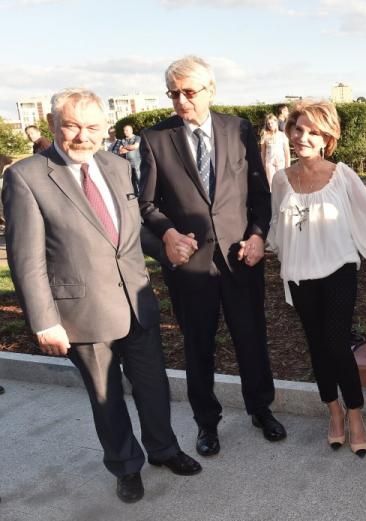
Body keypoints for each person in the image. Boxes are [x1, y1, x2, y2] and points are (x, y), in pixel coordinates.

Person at [2, 88, 202, 504]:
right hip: (81, 313)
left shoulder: (115, 164)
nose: (82, 136)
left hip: (136, 301)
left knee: (154, 387)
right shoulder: (27, 176)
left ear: (105, 128)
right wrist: (44, 320)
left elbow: (127, 233)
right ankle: (125, 466)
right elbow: (26, 259)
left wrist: (165, 242)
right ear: (54, 125)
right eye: (72, 125)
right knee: (106, 397)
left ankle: (164, 450)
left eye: (92, 127)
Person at [266, 100, 366, 457]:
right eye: (298, 129)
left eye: (313, 132)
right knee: (316, 346)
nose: (303, 137)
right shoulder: (281, 180)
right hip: (298, 274)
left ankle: (355, 415)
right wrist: (259, 247)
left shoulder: (341, 175)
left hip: (337, 272)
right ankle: (334, 413)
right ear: (289, 133)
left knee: (337, 345)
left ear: (327, 137)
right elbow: (276, 229)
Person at [139, 56, 284, 457]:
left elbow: (260, 195)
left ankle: (261, 409)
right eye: (174, 93)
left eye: (189, 92)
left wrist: (257, 236)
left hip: (241, 258)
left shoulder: (238, 129)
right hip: (191, 265)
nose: (181, 101)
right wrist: (168, 234)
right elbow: (146, 204)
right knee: (198, 347)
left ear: (210, 90)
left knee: (251, 339)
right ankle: (206, 423)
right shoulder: (155, 138)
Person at [259, 113, 290, 188]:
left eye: (272, 123)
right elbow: (263, 152)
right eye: (268, 123)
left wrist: (288, 166)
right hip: (269, 163)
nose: (270, 125)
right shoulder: (265, 136)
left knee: (282, 183)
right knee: (271, 184)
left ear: (276, 123)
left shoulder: (283, 135)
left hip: (281, 162)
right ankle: (272, 199)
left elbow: (287, 152)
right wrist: (263, 164)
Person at [118, 124, 141, 193]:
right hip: (127, 163)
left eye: (126, 130)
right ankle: (136, 195)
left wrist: (124, 147)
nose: (125, 132)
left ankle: (142, 194)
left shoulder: (137, 138)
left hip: (136, 162)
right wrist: (129, 147)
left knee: (139, 179)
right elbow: (120, 151)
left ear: (131, 130)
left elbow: (135, 147)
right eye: (124, 130)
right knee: (131, 180)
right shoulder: (123, 140)